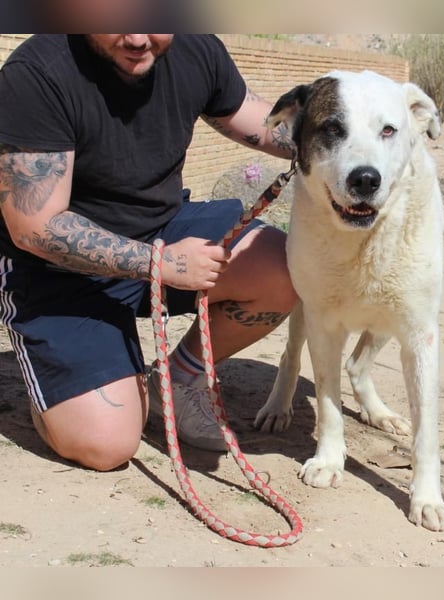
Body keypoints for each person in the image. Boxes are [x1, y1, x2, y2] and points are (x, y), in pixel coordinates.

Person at [0, 34, 298, 470]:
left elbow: (273, 129)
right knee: (106, 445)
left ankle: (178, 378)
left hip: (163, 231)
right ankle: (55, 388)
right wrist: (163, 263)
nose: (138, 38)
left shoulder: (197, 49)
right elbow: (34, 227)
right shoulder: (39, 73)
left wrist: (354, 145)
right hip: (58, 272)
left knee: (285, 266)